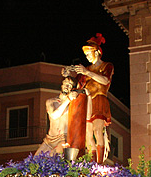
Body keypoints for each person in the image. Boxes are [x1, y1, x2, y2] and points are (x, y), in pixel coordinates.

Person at [62, 33, 113, 163]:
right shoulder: (86, 69)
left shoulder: (106, 66)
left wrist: (87, 72)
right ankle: (92, 161)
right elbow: (78, 85)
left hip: (99, 99)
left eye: (88, 54)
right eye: (86, 55)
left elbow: (105, 81)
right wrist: (68, 75)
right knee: (88, 133)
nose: (87, 57)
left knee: (97, 130)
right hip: (88, 101)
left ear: (96, 52)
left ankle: (100, 163)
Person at [36, 77, 78, 157]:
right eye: (66, 83)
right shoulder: (51, 101)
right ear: (62, 85)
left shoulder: (73, 105)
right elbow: (54, 115)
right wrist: (68, 99)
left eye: (70, 85)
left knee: (54, 157)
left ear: (72, 89)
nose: (67, 86)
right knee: (34, 161)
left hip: (63, 138)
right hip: (49, 139)